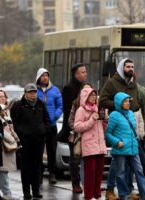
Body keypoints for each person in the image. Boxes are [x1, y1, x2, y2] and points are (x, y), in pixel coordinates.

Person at [99, 58, 142, 200]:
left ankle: (127, 190)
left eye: (132, 66)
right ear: (121, 68)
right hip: (116, 123)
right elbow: (103, 100)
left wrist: (130, 105)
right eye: (128, 66)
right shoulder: (112, 82)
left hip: (130, 121)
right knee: (118, 163)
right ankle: (110, 190)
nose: (130, 69)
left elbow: (135, 103)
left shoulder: (133, 83)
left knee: (125, 162)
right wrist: (119, 104)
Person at [105, 92, 145, 200]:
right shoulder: (114, 115)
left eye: (128, 101)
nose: (128, 103)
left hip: (133, 148)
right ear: (119, 102)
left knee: (139, 171)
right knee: (120, 174)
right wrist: (117, 142)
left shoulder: (131, 113)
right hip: (120, 149)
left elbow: (134, 131)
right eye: (125, 101)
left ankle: (144, 194)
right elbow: (108, 133)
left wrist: (136, 142)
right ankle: (124, 195)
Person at [11, 83, 52, 199]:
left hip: (39, 140)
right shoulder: (19, 105)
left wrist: (44, 130)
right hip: (25, 141)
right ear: (25, 93)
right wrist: (23, 131)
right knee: (26, 167)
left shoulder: (41, 104)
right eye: (30, 92)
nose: (33, 94)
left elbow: (47, 120)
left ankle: (35, 191)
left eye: (34, 92)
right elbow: (14, 122)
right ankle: (26, 192)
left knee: (37, 166)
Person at [58, 63, 87, 193]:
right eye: (83, 72)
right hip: (73, 128)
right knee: (75, 157)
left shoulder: (85, 87)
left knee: (86, 156)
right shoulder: (69, 88)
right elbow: (68, 111)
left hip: (86, 127)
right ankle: (76, 183)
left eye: (86, 72)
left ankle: (87, 182)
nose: (86, 74)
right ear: (76, 74)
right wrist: (73, 128)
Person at [74, 87, 106, 200]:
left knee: (99, 172)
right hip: (89, 145)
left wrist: (105, 121)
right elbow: (77, 127)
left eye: (94, 95)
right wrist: (92, 120)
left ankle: (97, 195)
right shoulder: (81, 110)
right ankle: (88, 195)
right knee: (90, 172)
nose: (93, 98)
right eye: (91, 95)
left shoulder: (97, 108)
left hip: (100, 145)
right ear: (85, 97)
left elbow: (101, 128)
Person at [36, 68, 63, 184]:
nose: (45, 77)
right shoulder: (34, 91)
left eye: (47, 75)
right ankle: (39, 173)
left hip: (51, 125)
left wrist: (54, 117)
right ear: (38, 77)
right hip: (38, 126)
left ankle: (52, 173)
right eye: (43, 75)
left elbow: (60, 106)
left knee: (52, 150)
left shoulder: (55, 90)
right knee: (39, 150)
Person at [0, 90, 20, 199]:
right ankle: (7, 194)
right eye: (0, 97)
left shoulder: (6, 111)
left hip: (9, 145)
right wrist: (12, 139)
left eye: (4, 96)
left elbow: (11, 128)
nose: (3, 98)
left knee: (3, 171)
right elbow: (0, 129)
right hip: (1, 145)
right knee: (1, 170)